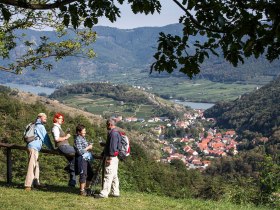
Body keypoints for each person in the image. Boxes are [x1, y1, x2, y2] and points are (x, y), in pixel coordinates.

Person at [24, 113, 54, 191]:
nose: (46, 119)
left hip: (30, 146)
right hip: (34, 148)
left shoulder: (31, 124)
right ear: (39, 117)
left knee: (36, 165)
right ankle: (28, 185)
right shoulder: (40, 126)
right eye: (45, 117)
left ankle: (36, 183)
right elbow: (45, 139)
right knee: (32, 166)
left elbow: (25, 135)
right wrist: (52, 148)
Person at [94, 118, 121, 198]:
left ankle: (104, 194)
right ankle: (115, 192)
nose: (106, 126)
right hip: (115, 158)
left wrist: (109, 158)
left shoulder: (112, 134)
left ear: (110, 124)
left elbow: (112, 147)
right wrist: (105, 144)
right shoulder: (117, 132)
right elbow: (114, 146)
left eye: (107, 125)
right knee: (114, 175)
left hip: (111, 158)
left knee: (108, 175)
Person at [51, 113, 76, 187]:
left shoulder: (58, 127)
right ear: (56, 119)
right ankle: (69, 167)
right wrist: (66, 137)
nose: (62, 120)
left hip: (65, 146)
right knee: (79, 152)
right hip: (63, 146)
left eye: (62, 119)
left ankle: (72, 183)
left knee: (73, 162)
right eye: (60, 118)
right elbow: (57, 139)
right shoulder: (55, 127)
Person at [74, 124, 94, 196]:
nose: (85, 131)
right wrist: (88, 147)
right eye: (84, 130)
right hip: (81, 158)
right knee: (83, 174)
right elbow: (79, 151)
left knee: (90, 173)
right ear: (79, 132)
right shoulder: (78, 139)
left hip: (85, 158)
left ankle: (86, 188)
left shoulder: (83, 138)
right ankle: (82, 191)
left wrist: (88, 145)